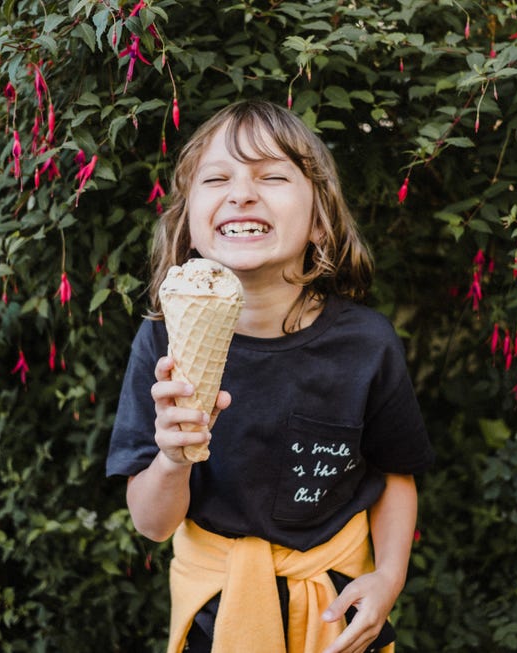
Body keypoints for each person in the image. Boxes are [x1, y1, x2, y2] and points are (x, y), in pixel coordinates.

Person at [106, 99, 434, 653]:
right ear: (189, 221)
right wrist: (172, 455)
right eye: (217, 178)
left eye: (273, 176)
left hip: (336, 611)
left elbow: (395, 474)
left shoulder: (367, 344)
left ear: (320, 219)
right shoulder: (163, 344)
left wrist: (389, 579)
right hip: (216, 616)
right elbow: (153, 525)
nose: (241, 193)